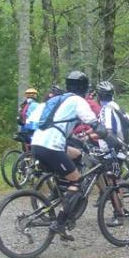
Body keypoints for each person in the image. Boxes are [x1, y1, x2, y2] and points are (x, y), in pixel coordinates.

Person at [31, 71, 105, 241]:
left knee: (77, 154)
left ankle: (63, 190)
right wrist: (109, 137)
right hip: (52, 146)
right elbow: (93, 123)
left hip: (37, 144)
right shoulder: (78, 101)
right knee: (77, 181)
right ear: (84, 88)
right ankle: (60, 222)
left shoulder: (55, 100)